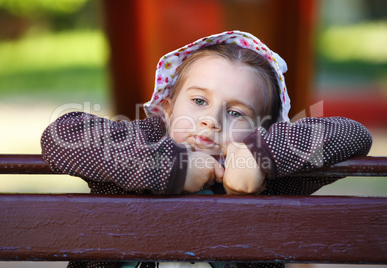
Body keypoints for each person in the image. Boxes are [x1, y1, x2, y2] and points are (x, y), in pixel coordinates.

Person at [41, 31, 373, 268]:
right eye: (199, 101)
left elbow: (353, 135)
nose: (211, 122)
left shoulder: (272, 178)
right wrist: (170, 166)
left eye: (236, 113)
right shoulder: (138, 145)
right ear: (168, 108)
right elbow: (60, 134)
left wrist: (262, 156)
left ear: (264, 129)